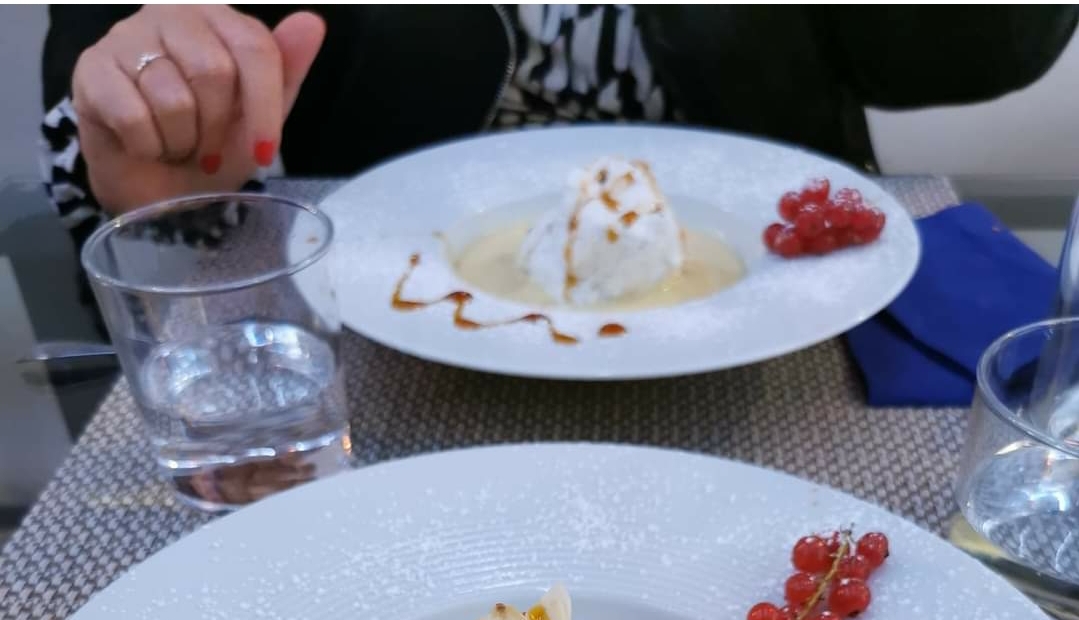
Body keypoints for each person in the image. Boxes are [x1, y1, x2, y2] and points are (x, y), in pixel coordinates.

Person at [42, 5, 1079, 266]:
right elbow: (115, 87)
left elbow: (976, 50)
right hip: (370, 312)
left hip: (772, 289)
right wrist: (162, 138)